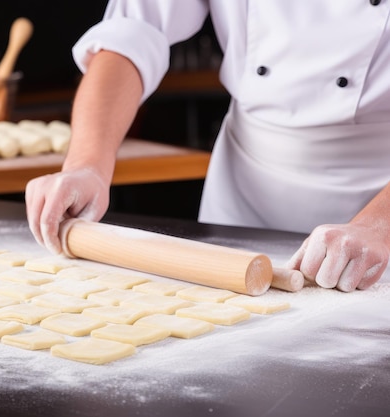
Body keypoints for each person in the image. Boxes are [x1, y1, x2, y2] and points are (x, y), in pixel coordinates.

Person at [25, 1, 390, 292]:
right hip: (245, 191)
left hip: (377, 194)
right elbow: (134, 27)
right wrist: (87, 164)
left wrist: (378, 226)